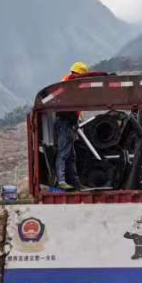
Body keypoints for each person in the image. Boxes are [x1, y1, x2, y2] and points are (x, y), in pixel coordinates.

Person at [56, 62, 88, 190]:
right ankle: (61, 180)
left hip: (70, 123)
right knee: (63, 153)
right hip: (64, 122)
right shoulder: (70, 81)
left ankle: (75, 183)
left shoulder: (72, 85)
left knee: (71, 155)